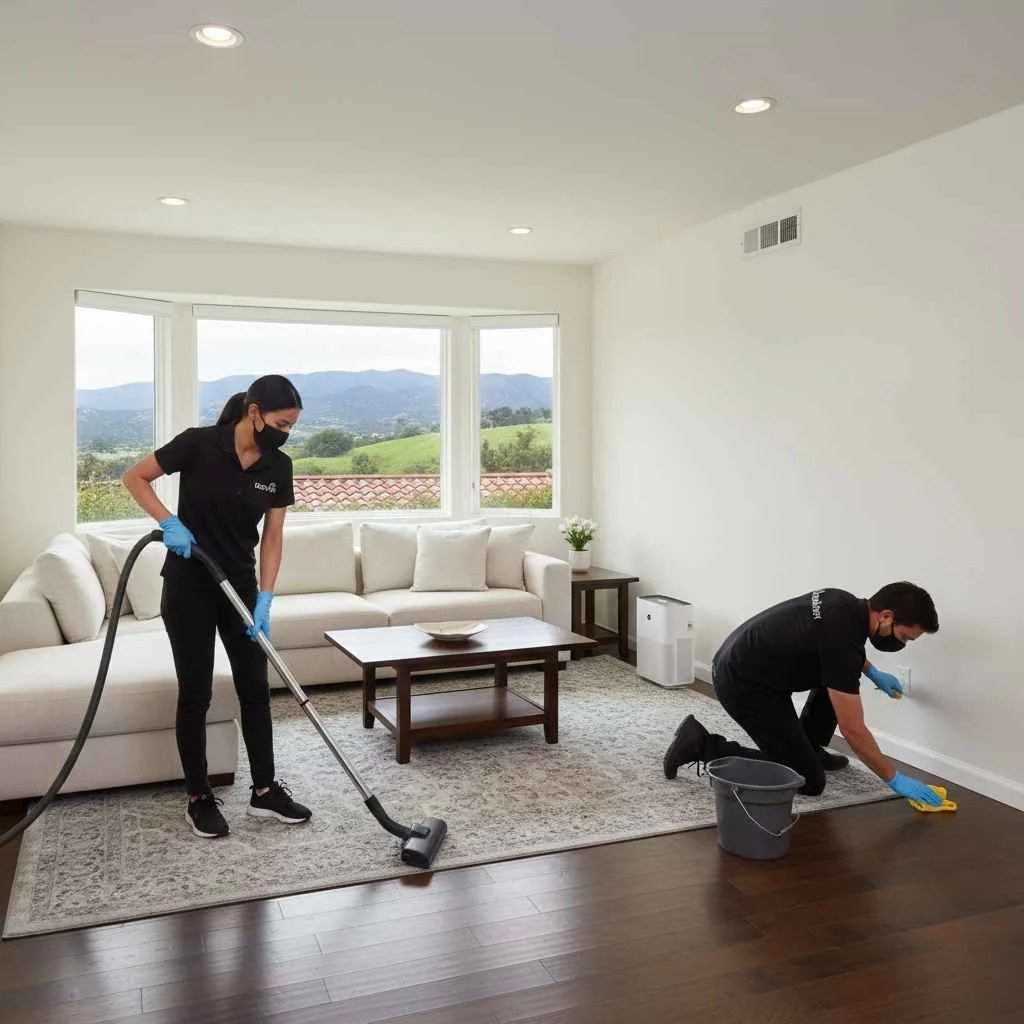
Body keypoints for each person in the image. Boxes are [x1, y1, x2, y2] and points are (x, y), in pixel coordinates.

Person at [123, 374, 313, 838]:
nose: (285, 433)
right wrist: (169, 522)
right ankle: (199, 796)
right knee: (197, 692)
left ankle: (265, 791)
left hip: (241, 587)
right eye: (281, 423)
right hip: (190, 585)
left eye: (291, 427)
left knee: (255, 687)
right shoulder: (199, 445)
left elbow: (272, 538)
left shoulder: (277, 467)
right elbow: (136, 476)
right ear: (254, 412)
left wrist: (266, 595)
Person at [662, 583, 944, 806]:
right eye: (905, 637)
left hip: (747, 664)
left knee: (840, 679)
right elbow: (853, 730)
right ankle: (701, 744)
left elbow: (840, 654)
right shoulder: (842, 640)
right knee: (807, 780)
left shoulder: (844, 603)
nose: (902, 644)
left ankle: (811, 748)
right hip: (743, 685)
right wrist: (894, 778)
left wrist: (871, 672)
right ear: (886, 616)